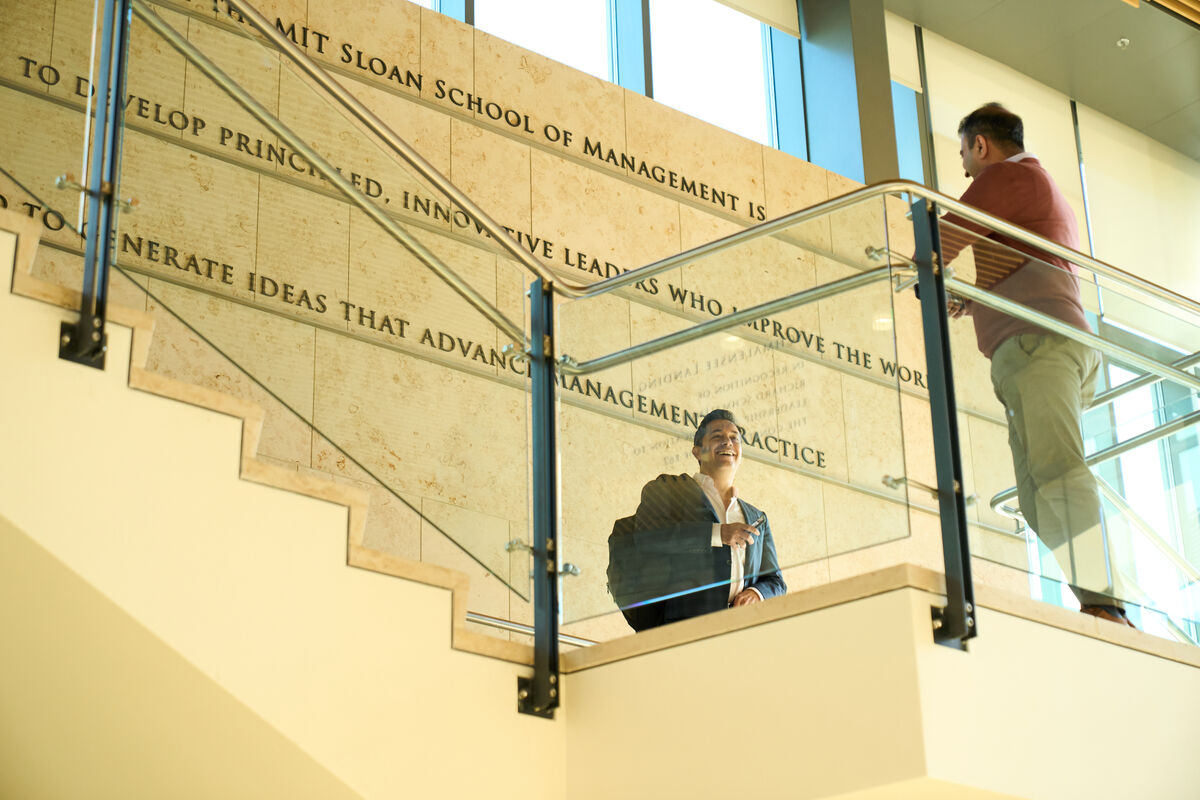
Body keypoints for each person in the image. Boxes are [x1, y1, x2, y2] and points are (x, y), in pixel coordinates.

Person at [938, 103, 1135, 627]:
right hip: (1037, 347)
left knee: (1059, 473)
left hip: (1039, 346)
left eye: (964, 154)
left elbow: (939, 238)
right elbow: (1025, 263)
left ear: (981, 145)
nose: (964, 170)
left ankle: (1106, 603)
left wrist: (919, 264)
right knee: (1032, 495)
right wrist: (973, 299)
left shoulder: (1005, 175)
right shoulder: (1036, 186)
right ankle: (1094, 597)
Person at [623, 409, 786, 629]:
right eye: (717, 436)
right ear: (698, 452)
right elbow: (648, 540)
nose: (727, 442)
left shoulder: (757, 517)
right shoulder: (667, 490)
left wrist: (756, 593)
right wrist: (719, 533)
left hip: (742, 629)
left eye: (734, 438)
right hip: (682, 629)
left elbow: (776, 581)